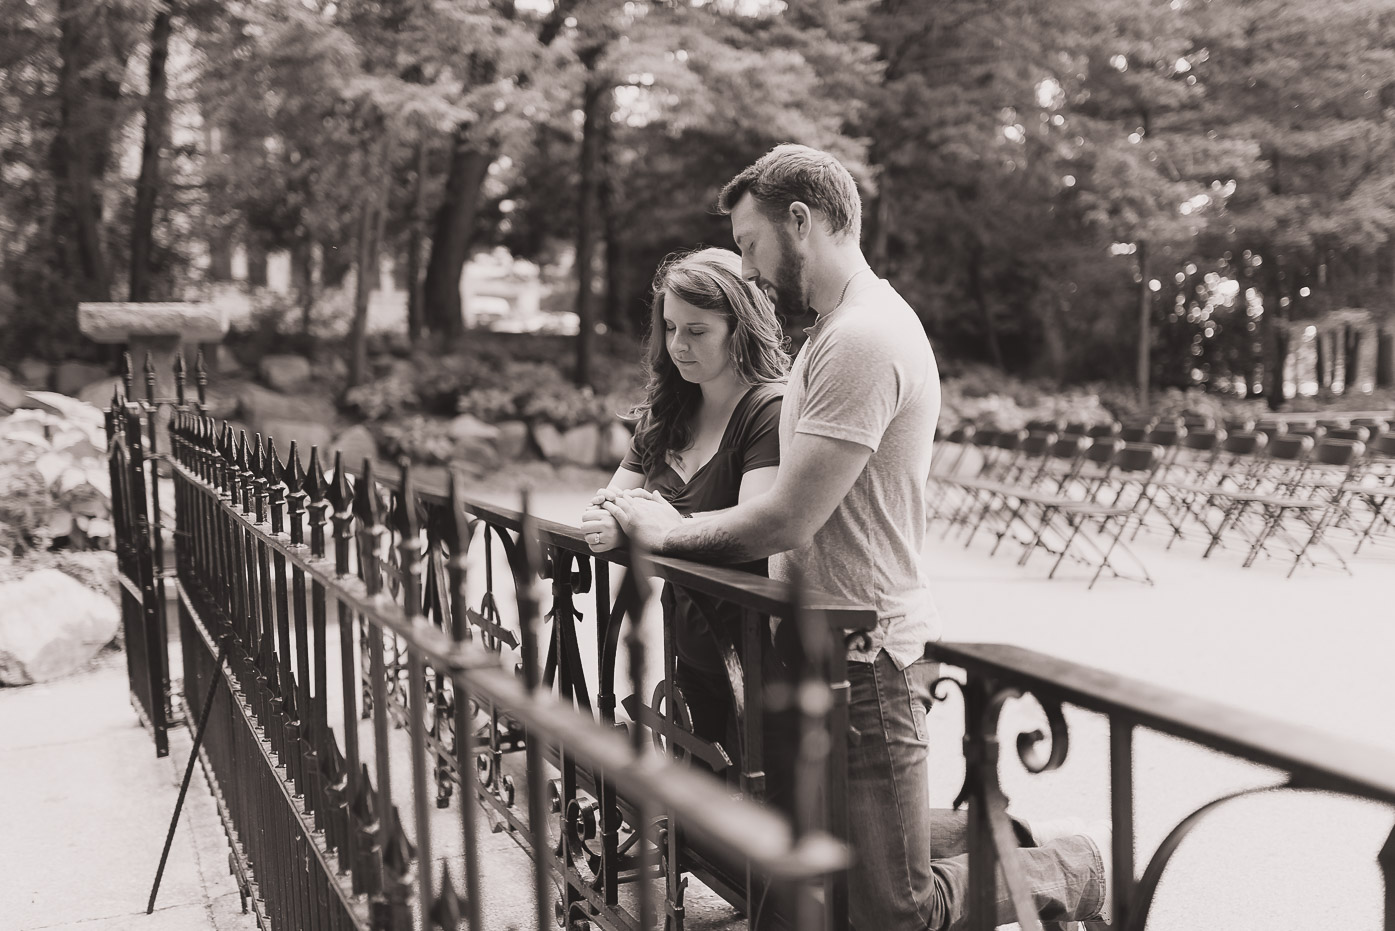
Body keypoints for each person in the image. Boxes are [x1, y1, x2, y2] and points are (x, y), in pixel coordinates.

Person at [599, 145, 1112, 930]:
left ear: (799, 222)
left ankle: (1068, 865)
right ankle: (1008, 838)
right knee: (828, 850)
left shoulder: (864, 338)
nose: (749, 265)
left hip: (867, 651)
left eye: (749, 242)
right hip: (815, 643)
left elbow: (785, 516)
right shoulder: (833, 332)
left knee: (889, 908)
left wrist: (670, 528)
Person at [580, 246, 788, 766]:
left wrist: (652, 525)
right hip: (690, 653)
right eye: (671, 329)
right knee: (699, 823)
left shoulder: (769, 409)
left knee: (758, 822)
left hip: (761, 661)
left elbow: (752, 525)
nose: (678, 345)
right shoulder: (665, 414)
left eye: (697, 331)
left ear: (739, 329)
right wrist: (629, 522)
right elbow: (610, 505)